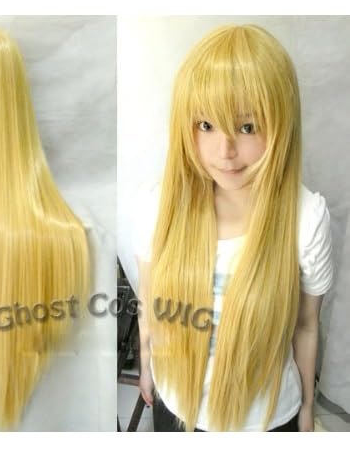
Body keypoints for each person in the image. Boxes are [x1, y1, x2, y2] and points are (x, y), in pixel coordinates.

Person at [133, 24, 333, 432]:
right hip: (177, 409)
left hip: (268, 420)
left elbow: (306, 325)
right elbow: (149, 305)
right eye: (206, 125)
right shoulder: (159, 207)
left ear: (281, 125)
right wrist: (147, 365)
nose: (224, 152)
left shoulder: (306, 219)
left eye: (246, 127)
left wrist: (307, 406)